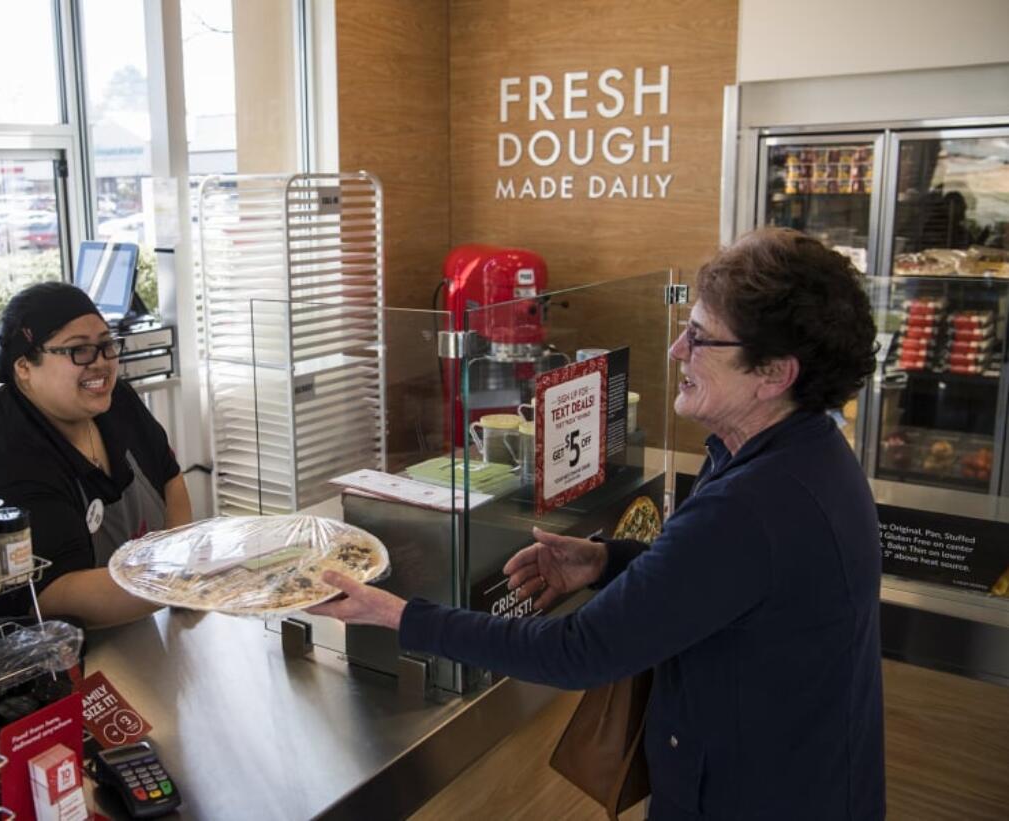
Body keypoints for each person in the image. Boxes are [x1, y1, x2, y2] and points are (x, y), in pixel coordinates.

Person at [309, 227, 886, 820]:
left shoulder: (755, 504)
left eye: (701, 337)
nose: (676, 351)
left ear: (773, 374)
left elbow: (578, 652)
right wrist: (607, 561)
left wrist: (398, 615)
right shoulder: (798, 453)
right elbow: (728, 588)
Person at [0, 282, 191, 628]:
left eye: (106, 345)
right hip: (36, 657)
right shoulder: (4, 460)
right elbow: (59, 593)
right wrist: (182, 582)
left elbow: (169, 478)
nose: (100, 363)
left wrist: (184, 566)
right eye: (79, 351)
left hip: (133, 622)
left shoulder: (115, 404)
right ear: (24, 367)